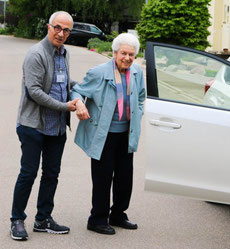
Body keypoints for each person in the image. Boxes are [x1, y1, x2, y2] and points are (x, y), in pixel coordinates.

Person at [10, 11, 78, 241]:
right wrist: (65, 106)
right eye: (58, 27)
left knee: (51, 174)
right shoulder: (36, 54)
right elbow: (35, 91)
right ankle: (17, 219)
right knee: (28, 173)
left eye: (66, 30)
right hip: (33, 126)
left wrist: (82, 88)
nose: (61, 33)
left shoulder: (65, 53)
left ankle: (43, 219)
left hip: (56, 128)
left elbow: (65, 82)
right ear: (49, 27)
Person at [71, 33, 146, 235]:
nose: (127, 58)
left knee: (124, 178)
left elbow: (140, 97)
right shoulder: (98, 72)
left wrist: (138, 113)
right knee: (103, 179)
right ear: (114, 53)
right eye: (123, 53)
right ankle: (97, 219)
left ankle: (118, 215)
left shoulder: (137, 72)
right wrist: (78, 103)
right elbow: (77, 91)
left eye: (131, 54)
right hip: (103, 135)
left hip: (126, 133)